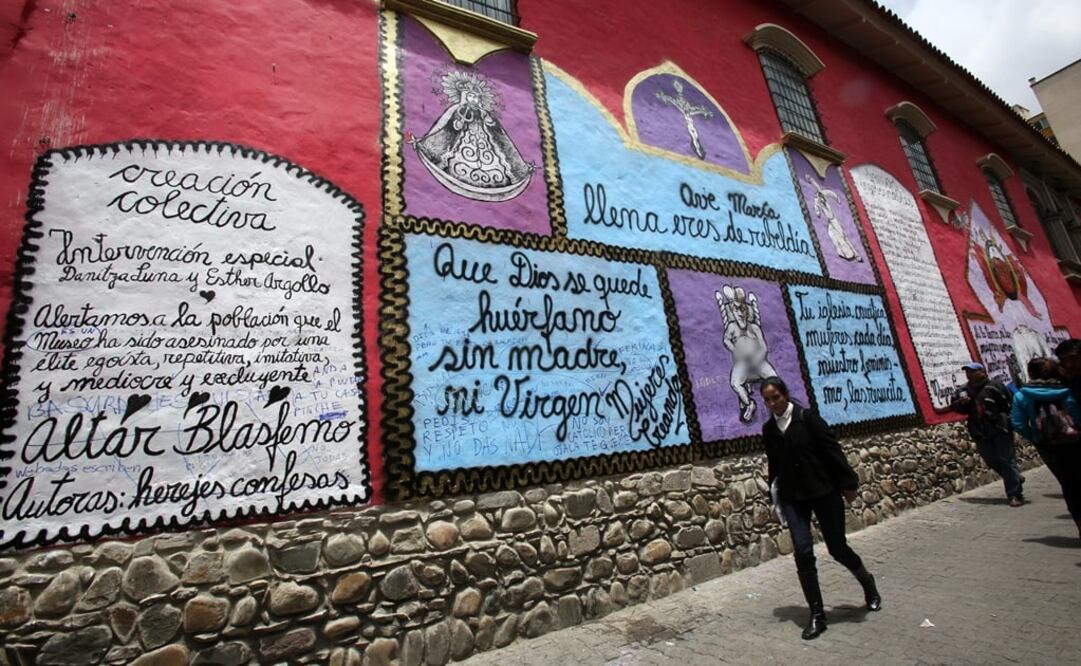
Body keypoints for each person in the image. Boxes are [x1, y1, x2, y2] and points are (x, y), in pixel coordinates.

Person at [761, 377, 880, 640]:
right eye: (767, 400)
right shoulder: (769, 429)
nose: (772, 404)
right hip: (793, 497)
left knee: (837, 547)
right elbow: (774, 464)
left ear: (785, 394)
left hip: (823, 491)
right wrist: (774, 493)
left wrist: (848, 484)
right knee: (802, 551)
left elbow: (831, 450)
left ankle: (867, 582)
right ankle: (817, 614)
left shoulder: (807, 418)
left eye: (776, 398)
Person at [1010, 356, 1081, 538]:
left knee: (1068, 484)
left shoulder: (1022, 396)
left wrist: (1035, 436)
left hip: (1049, 446)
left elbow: (1018, 423)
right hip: (1076, 441)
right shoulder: (1069, 390)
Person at [950, 362, 1024, 506]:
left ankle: (1014, 494)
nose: (969, 374)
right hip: (979, 431)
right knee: (991, 460)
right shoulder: (964, 390)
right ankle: (1014, 477)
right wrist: (962, 404)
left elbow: (1009, 403)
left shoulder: (995, 386)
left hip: (999, 428)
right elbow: (956, 407)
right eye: (967, 372)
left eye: (972, 371)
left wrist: (1010, 420)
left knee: (1007, 460)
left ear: (982, 372)